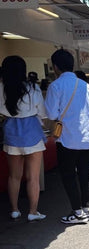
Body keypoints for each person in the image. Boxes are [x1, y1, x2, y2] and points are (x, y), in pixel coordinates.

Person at [45, 49, 89, 225]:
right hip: (85, 137)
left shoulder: (56, 86)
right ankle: (84, 208)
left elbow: (51, 113)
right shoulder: (86, 86)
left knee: (68, 175)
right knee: (84, 172)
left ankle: (77, 212)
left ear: (55, 67)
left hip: (66, 138)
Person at [0, 56, 47, 222]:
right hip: (32, 131)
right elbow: (42, 112)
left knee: (14, 176)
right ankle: (33, 212)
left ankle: (14, 210)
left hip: (11, 131)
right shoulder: (33, 88)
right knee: (33, 177)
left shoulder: (1, 88)